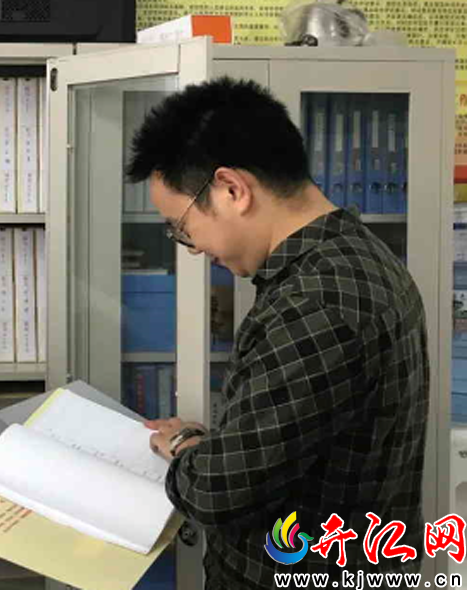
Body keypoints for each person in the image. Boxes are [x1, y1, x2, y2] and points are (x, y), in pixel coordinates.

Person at [128, 79, 429, 587]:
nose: (192, 247)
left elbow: (219, 494)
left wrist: (182, 447)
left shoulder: (315, 303)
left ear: (232, 189)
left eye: (181, 226)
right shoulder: (355, 254)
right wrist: (209, 448)